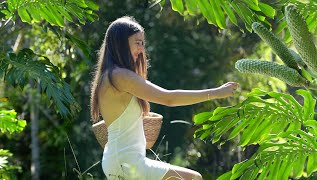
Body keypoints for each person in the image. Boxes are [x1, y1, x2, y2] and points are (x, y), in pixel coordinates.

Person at [90, 16, 239, 180]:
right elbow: (169, 98)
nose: (141, 49)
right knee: (194, 178)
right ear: (121, 43)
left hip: (117, 160)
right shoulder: (121, 76)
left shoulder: (108, 76)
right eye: (137, 42)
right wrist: (216, 92)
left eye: (142, 43)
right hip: (128, 162)